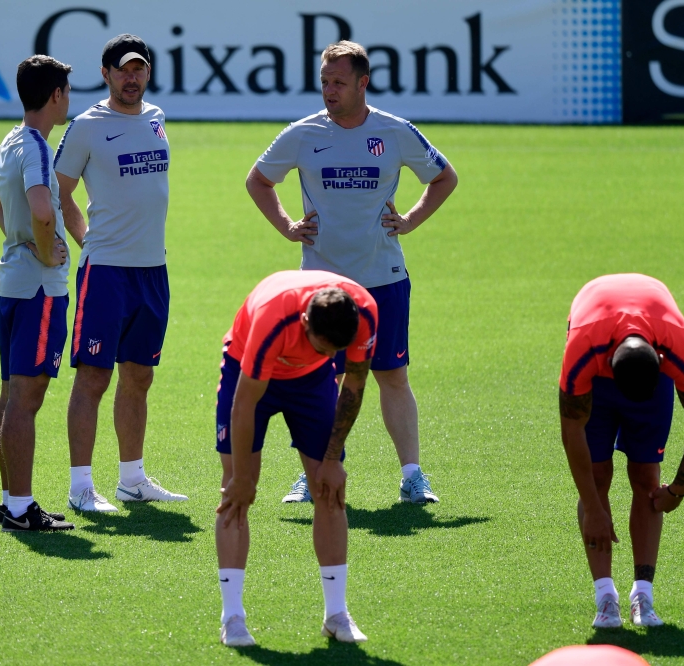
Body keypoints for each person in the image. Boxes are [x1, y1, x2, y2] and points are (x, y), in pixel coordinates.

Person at [245, 41, 457, 505]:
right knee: (321, 378)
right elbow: (258, 180)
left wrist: (411, 220)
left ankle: (413, 476)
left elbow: (444, 177)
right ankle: (316, 469)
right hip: (320, 286)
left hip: (384, 276)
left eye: (338, 82)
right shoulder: (302, 134)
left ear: (363, 82)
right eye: (324, 82)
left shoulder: (395, 131)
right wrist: (287, 226)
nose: (329, 91)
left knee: (392, 375)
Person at [54, 34, 186, 512]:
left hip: (153, 269)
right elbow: (58, 193)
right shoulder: (87, 126)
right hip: (106, 272)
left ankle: (132, 479)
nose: (132, 78)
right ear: (106, 74)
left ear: (147, 73)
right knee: (93, 378)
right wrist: (85, 241)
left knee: (139, 376)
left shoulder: (156, 119)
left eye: (139, 69)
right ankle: (81, 487)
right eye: (123, 69)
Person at [215, 270, 378, 646]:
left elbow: (353, 385)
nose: (331, 355)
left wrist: (333, 459)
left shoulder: (363, 314)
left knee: (329, 489)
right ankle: (233, 618)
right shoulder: (275, 316)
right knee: (235, 493)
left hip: (311, 381)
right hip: (251, 375)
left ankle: (336, 614)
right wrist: (242, 478)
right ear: (305, 321)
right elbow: (245, 404)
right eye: (324, 348)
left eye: (336, 351)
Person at [558, 274, 684, 628]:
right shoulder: (583, 352)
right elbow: (571, 429)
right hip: (598, 358)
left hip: (650, 347)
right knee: (597, 476)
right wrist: (592, 508)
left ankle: (644, 596)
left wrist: (679, 489)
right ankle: (605, 597)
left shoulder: (675, 349)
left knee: (645, 476)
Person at [0, 55, 79, 532]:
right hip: (39, 290)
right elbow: (44, 210)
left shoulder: (9, 141)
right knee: (27, 399)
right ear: (56, 96)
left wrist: (18, 241)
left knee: (10, 396)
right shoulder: (40, 148)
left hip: (10, 283)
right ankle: (22, 507)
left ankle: (11, 501)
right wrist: (44, 252)